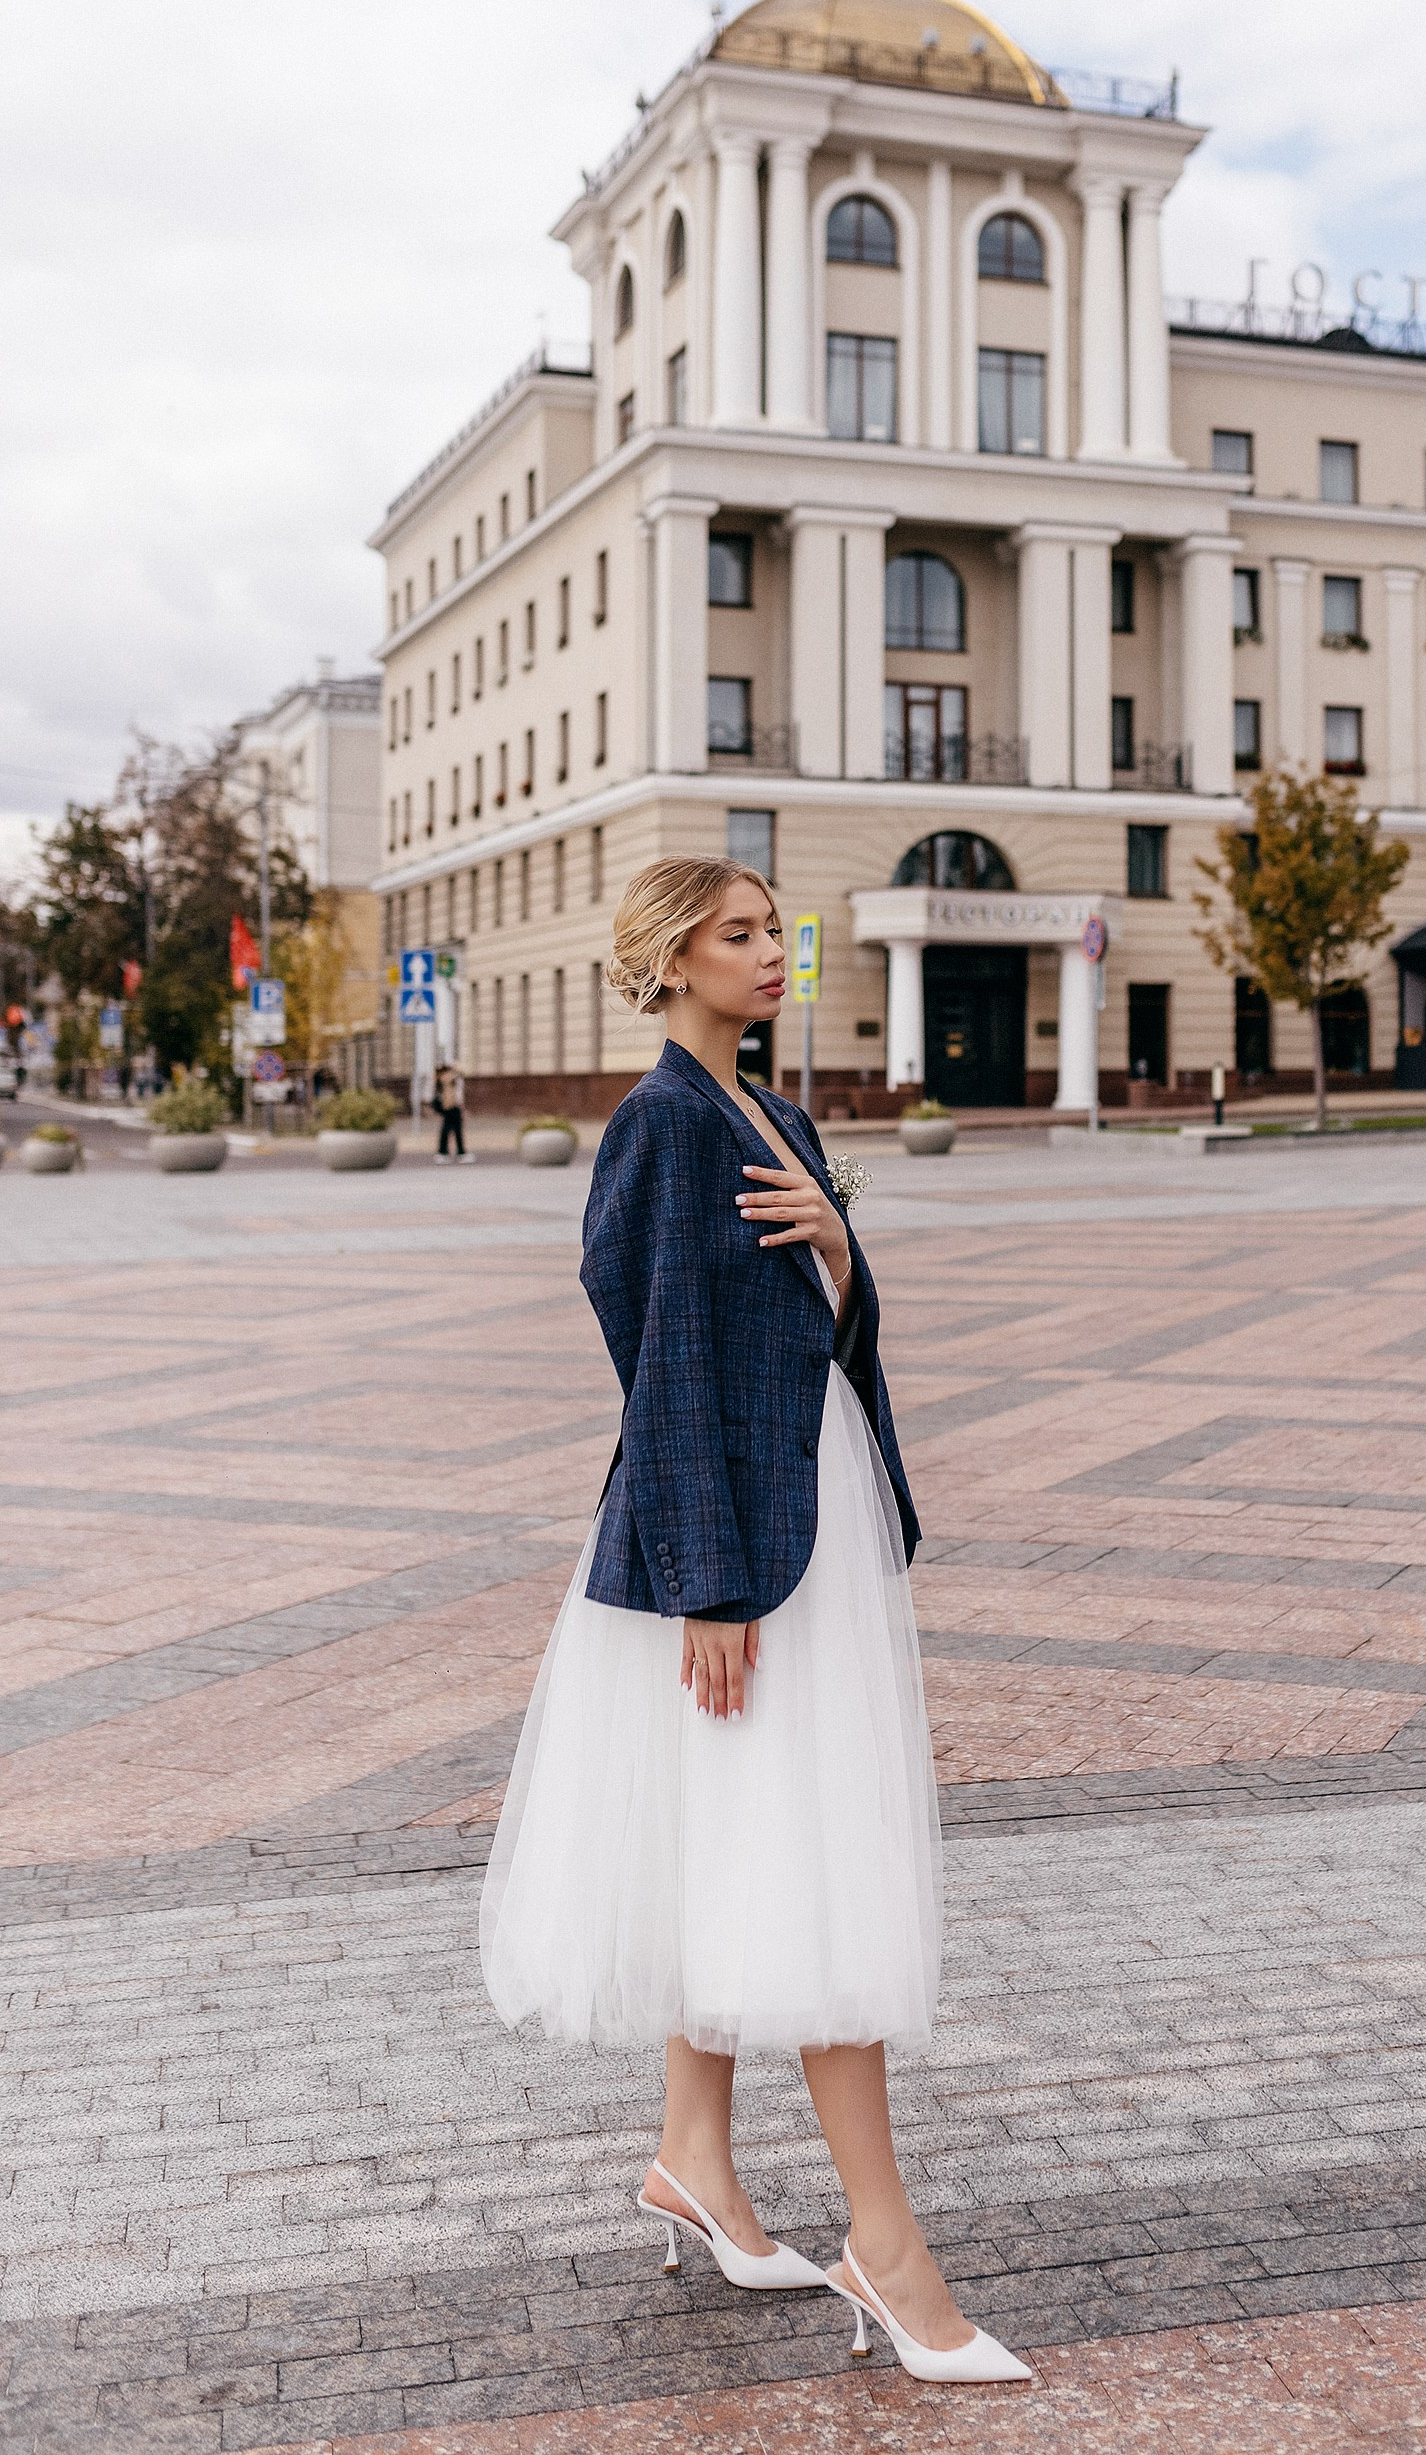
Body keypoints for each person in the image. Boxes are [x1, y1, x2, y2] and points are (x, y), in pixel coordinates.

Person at [480, 855, 1029, 2386]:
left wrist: (846, 1253)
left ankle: (695, 2163)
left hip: (812, 1516)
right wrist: (706, 1582)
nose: (773, 951)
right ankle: (888, 2246)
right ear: (669, 959)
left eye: (773, 929)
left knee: (740, 1841)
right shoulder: (660, 1126)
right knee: (804, 1859)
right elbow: (658, 1358)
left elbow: (826, 1322)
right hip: (740, 1549)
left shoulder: (777, 1118)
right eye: (739, 933)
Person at [432, 1061, 467, 1159]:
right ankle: (444, 1152)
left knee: (454, 1130)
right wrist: (455, 1067)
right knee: (449, 1130)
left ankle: (455, 1152)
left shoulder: (443, 1077)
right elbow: (460, 1072)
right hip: (450, 1107)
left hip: (452, 1107)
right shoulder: (446, 1077)